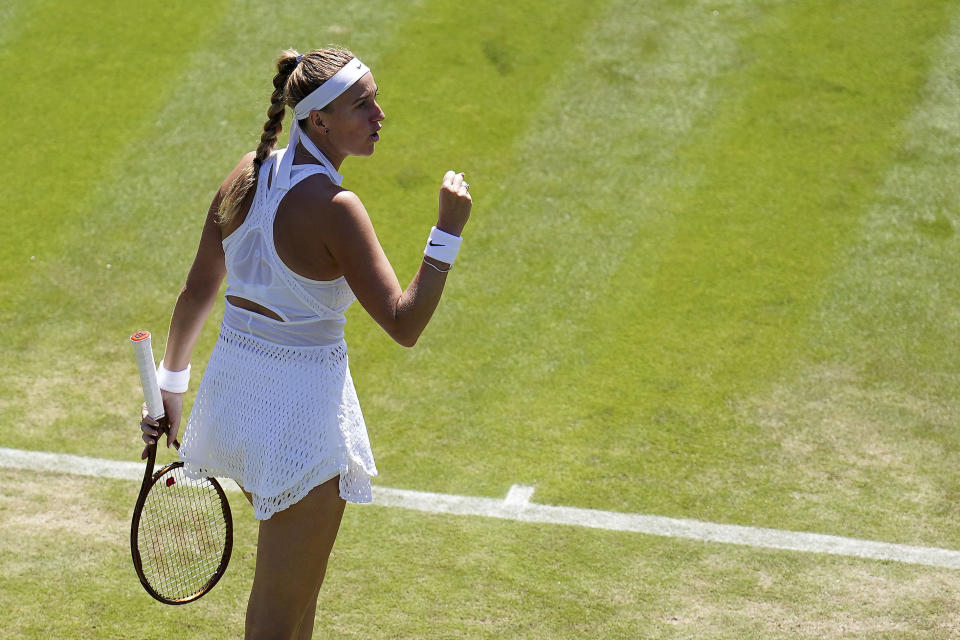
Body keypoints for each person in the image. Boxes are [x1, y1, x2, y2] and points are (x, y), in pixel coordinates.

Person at [138, 46, 472, 639]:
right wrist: (446, 231)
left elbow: (196, 291)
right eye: (362, 105)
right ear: (318, 120)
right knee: (276, 619)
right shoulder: (336, 208)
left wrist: (168, 391)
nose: (380, 114)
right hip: (298, 424)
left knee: (297, 608)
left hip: (234, 403)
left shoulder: (244, 173)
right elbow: (405, 322)